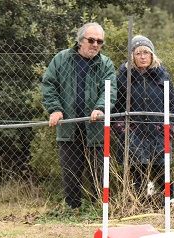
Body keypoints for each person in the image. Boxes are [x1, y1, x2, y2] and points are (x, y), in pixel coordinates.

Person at [42, 22, 116, 209]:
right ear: (80, 40)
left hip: (96, 128)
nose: (95, 44)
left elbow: (111, 90)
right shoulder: (61, 60)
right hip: (69, 127)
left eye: (100, 41)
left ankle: (98, 209)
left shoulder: (105, 64)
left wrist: (101, 107)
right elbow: (49, 85)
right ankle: (73, 210)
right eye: (91, 40)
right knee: (71, 172)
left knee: (98, 172)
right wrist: (55, 109)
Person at [113, 35, 174, 202]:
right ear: (132, 56)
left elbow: (173, 105)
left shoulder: (162, 75)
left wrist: (169, 128)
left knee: (162, 171)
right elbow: (116, 107)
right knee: (137, 171)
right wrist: (124, 131)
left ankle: (170, 203)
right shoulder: (123, 76)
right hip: (134, 134)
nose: (142, 56)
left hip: (158, 133)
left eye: (146, 52)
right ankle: (139, 203)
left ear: (152, 55)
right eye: (138, 53)